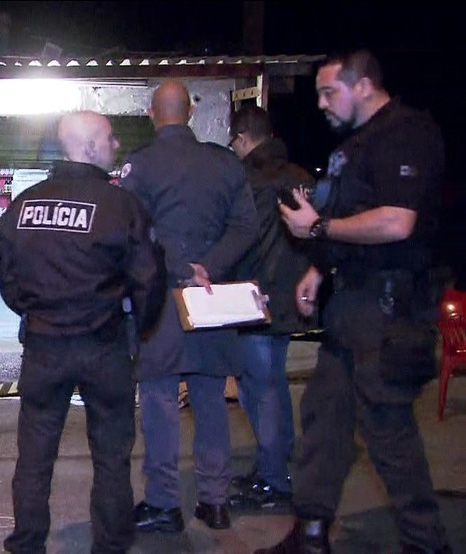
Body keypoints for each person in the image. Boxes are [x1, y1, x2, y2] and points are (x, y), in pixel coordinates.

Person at [256, 49, 451, 554]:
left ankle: (426, 543)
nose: (320, 103)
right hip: (353, 304)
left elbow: (396, 221)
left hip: (389, 309)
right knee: (325, 421)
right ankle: (311, 533)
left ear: (363, 85)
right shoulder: (358, 144)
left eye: (329, 91)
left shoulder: (404, 132)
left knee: (388, 432)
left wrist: (317, 227)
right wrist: (320, 267)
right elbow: (359, 219)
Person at [0, 110, 166, 554]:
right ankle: (110, 546)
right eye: (110, 139)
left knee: (34, 453)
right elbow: (149, 279)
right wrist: (138, 330)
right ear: (90, 147)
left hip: (43, 344)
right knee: (111, 455)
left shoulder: (24, 205)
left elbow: (8, 282)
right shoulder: (122, 206)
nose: (116, 147)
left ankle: (27, 544)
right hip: (103, 344)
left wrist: (37, 313)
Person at [119, 79, 258, 533]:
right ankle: (215, 501)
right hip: (212, 300)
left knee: (159, 400)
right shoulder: (225, 164)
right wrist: (207, 267)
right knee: (210, 399)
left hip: (162, 302)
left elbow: (137, 233)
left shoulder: (139, 167)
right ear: (192, 112)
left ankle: (163, 504)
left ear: (150, 113)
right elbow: (245, 227)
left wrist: (180, 267)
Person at [227, 105, 316, 511]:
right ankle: (278, 463)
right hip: (289, 296)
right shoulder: (300, 176)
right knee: (272, 386)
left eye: (234, 142)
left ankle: (273, 479)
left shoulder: (250, 180)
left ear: (243, 138)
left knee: (259, 391)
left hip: (255, 298)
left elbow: (243, 242)